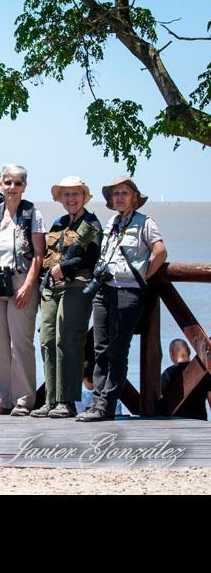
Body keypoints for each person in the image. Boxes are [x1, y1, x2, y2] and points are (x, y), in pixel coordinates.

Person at [76, 175, 168, 422]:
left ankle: (106, 405)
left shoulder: (145, 222)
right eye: (115, 193)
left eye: (124, 193)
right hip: (104, 290)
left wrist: (142, 276)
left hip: (128, 292)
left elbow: (160, 252)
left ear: (134, 197)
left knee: (117, 350)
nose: (119, 197)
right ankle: (96, 402)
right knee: (100, 349)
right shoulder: (111, 222)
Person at [0, 164, 45, 416]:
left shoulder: (32, 213)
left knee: (21, 342)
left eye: (17, 183)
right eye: (7, 182)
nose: (12, 187)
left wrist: (28, 286)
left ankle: (24, 399)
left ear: (24, 187)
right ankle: (2, 397)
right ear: (0, 185)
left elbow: (38, 254)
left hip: (21, 280)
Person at [31, 176, 102, 419]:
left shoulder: (92, 223)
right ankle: (50, 400)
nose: (71, 198)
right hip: (50, 289)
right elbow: (46, 256)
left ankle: (67, 400)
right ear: (60, 198)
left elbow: (91, 257)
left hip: (77, 286)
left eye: (75, 194)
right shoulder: (58, 223)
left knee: (68, 340)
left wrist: (66, 267)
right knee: (47, 340)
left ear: (84, 197)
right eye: (66, 194)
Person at [160, 339, 210, 421]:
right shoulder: (204, 373)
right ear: (189, 351)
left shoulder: (168, 374)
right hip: (200, 421)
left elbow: (156, 401)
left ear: (171, 353)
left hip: (176, 423)